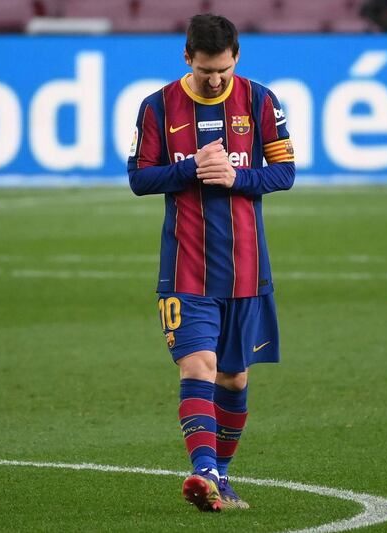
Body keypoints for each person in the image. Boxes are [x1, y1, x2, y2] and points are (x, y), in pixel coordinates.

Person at [127, 14, 295, 512]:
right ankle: (202, 472)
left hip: (248, 269)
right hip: (185, 268)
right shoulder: (157, 106)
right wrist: (190, 168)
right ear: (187, 58)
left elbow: (285, 173)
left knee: (235, 379)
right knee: (198, 365)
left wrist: (235, 180)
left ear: (236, 56)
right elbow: (139, 178)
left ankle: (220, 477)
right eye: (206, 71)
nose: (216, 79)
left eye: (223, 69)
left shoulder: (261, 100)